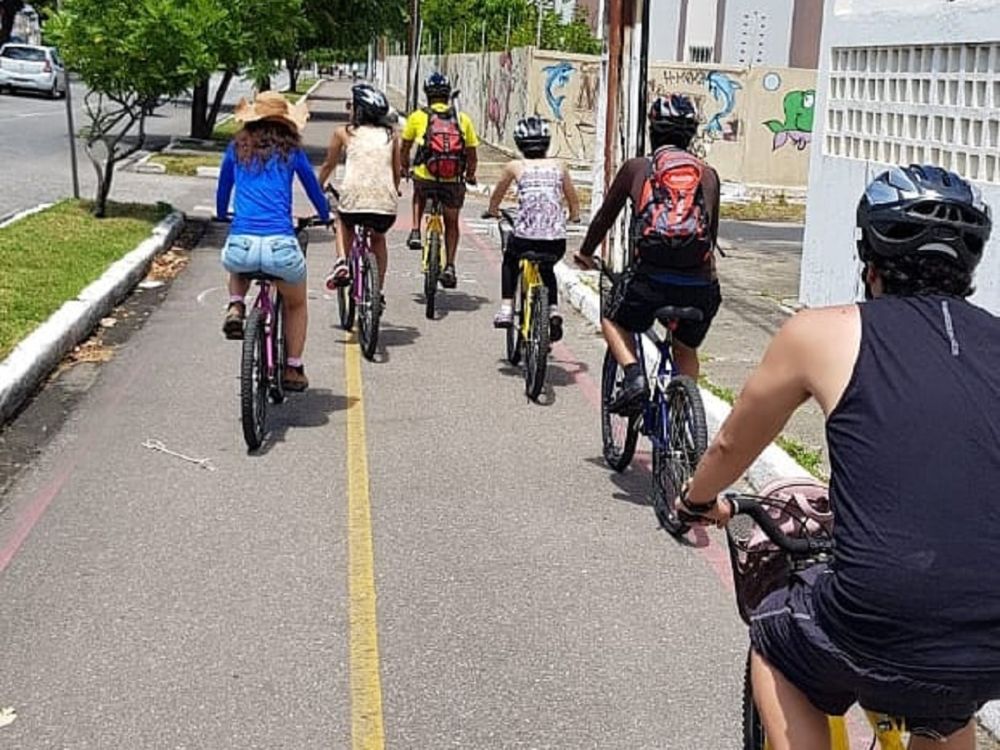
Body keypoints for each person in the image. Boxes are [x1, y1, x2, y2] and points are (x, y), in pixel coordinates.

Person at [675, 164, 997, 750]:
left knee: (776, 640)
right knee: (948, 700)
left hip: (878, 615)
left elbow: (729, 445)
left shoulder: (823, 333)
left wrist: (696, 502)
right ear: (969, 262)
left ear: (867, 255)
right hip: (989, 638)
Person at [574, 94, 721, 414]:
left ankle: (633, 376)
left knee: (612, 319)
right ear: (691, 134)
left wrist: (586, 253)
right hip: (700, 287)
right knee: (686, 346)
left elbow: (603, 219)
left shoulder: (637, 168)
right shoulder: (707, 174)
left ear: (652, 131)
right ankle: (684, 414)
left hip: (649, 282)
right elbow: (710, 235)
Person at [216, 91, 331, 392]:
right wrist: (326, 216)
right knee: (296, 303)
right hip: (281, 243)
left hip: (243, 243)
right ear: (286, 122)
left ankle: (236, 305)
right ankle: (293, 368)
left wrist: (221, 215)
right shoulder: (291, 152)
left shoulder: (236, 148)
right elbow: (313, 191)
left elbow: (222, 188)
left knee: (239, 262)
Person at [485, 116, 581, 342]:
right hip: (555, 241)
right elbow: (573, 201)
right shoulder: (560, 166)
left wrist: (493, 210)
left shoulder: (515, 166)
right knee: (547, 268)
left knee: (510, 259)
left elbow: (497, 195)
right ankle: (554, 311)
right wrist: (574, 217)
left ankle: (507, 308)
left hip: (525, 239)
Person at [318, 83, 400, 293]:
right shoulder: (391, 135)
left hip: (353, 201)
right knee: (378, 238)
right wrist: (394, 190)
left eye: (351, 106)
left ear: (359, 110)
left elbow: (329, 165)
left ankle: (342, 262)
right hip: (385, 205)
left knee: (342, 220)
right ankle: (378, 291)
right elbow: (396, 172)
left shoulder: (344, 133)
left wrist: (319, 186)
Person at [400, 72, 479, 289]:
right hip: (452, 180)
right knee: (451, 222)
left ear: (427, 94)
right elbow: (472, 154)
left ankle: (415, 231)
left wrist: (404, 168)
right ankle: (450, 266)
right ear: (447, 95)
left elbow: (405, 148)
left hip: (426, 178)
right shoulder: (462, 119)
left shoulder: (417, 117)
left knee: (418, 192)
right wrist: (470, 175)